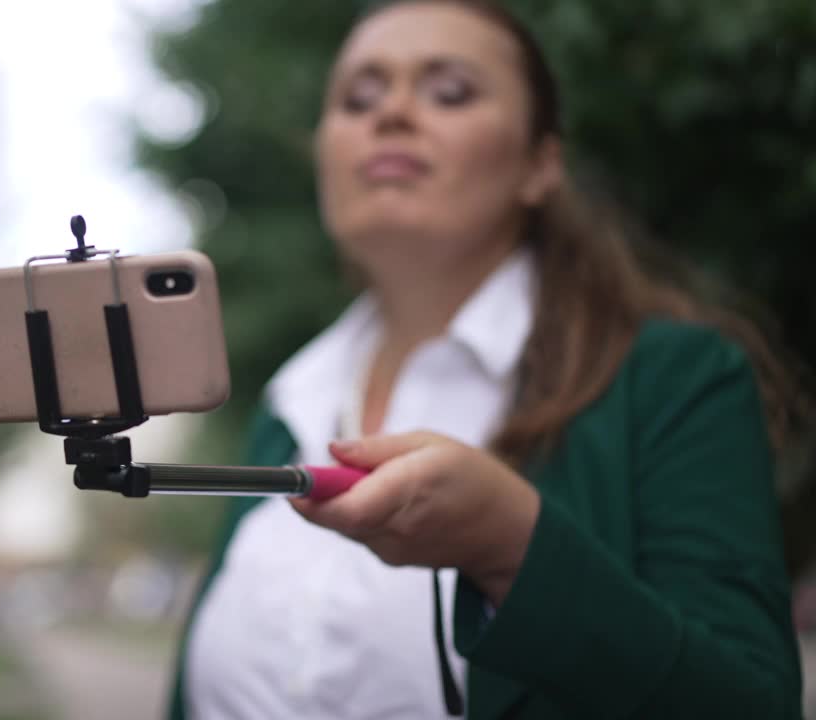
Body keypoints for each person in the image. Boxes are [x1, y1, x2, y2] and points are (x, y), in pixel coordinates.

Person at [165, 1, 806, 718]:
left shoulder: (674, 379)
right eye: (359, 97)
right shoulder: (291, 402)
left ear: (539, 166)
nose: (393, 113)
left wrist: (512, 549)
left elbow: (749, 704)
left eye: (449, 92)